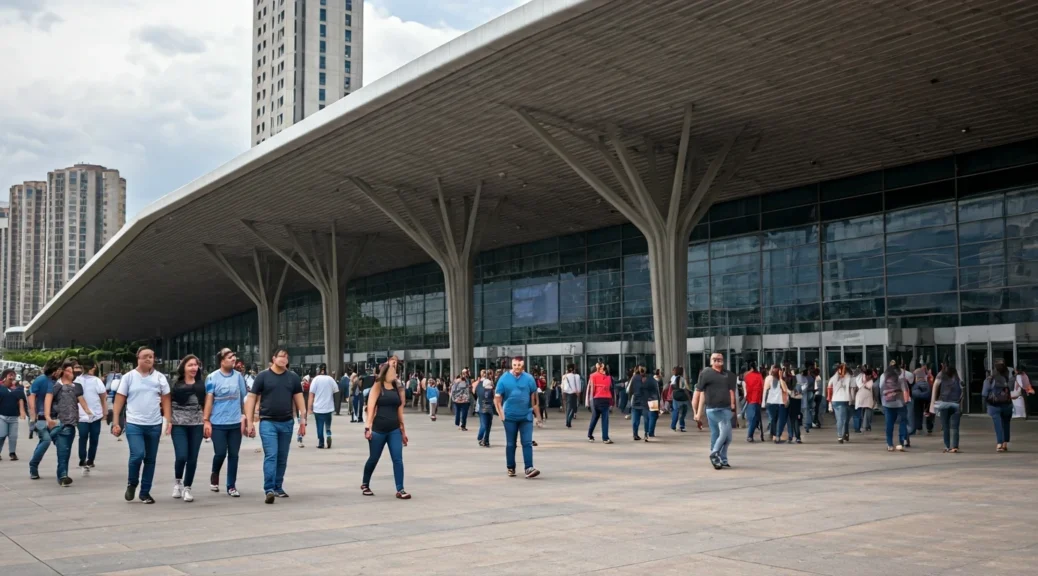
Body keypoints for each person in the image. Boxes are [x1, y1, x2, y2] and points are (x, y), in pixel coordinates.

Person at [245, 347, 306, 504]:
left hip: (287, 422)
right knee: (271, 455)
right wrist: (250, 421)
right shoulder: (263, 377)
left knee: (282, 457)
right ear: (273, 358)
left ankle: (278, 486)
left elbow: (300, 400)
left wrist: (303, 421)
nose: (284, 359)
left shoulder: (292, 378)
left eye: (286, 357)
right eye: (281, 356)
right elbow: (251, 398)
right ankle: (269, 489)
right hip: (268, 422)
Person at [111, 347, 171, 503]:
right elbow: (119, 400)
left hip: (154, 424)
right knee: (137, 455)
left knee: (150, 459)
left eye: (151, 356)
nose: (149, 359)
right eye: (145, 356)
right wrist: (116, 422)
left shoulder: (160, 378)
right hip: (134, 423)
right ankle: (132, 483)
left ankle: (145, 492)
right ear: (138, 358)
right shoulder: (129, 377)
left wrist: (168, 420)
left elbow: (166, 400)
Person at [361, 359, 410, 498]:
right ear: (385, 373)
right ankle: (365, 483)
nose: (395, 373)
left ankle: (400, 489)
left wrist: (403, 431)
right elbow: (370, 407)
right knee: (374, 458)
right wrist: (367, 427)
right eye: (392, 371)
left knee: (398, 459)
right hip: (378, 429)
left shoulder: (396, 388)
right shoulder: (378, 386)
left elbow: (399, 410)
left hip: (394, 429)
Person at [204, 348, 249, 497]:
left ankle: (231, 485)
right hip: (218, 422)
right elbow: (208, 400)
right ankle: (215, 473)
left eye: (234, 356)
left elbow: (244, 398)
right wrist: (207, 420)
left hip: (235, 422)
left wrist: (247, 417)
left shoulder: (238, 377)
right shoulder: (212, 377)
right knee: (221, 453)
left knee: (234, 454)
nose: (233, 359)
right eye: (229, 357)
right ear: (222, 361)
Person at [44, 360, 93, 486]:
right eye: (70, 370)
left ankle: (62, 474)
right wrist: (48, 417)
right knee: (63, 450)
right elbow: (48, 400)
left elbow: (81, 400)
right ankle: (62, 476)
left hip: (71, 424)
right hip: (59, 423)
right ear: (63, 372)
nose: (73, 373)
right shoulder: (56, 386)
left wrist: (88, 411)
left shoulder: (76, 386)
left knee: (65, 450)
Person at [494, 356, 541, 478]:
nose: (517, 368)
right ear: (512, 365)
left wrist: (538, 416)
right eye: (515, 365)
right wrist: (501, 415)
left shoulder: (529, 378)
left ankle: (529, 468)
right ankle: (511, 467)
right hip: (509, 417)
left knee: (527, 442)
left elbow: (534, 398)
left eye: (519, 365)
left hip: (526, 416)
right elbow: (497, 399)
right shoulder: (504, 379)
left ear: (523, 365)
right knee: (511, 443)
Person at [170, 355, 205, 502]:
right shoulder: (175, 385)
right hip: (178, 424)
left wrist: (208, 422)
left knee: (192, 458)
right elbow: (166, 403)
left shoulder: (201, 385)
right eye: (190, 365)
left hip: (197, 424)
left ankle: (187, 487)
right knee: (182, 456)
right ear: (183, 367)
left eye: (196, 365)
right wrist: (167, 421)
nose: (194, 368)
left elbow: (207, 404)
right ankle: (177, 482)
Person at [693, 352, 736, 470]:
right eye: (715, 359)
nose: (718, 360)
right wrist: (696, 412)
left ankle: (722, 458)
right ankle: (714, 453)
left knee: (726, 437)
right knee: (722, 432)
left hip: (726, 409)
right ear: (711, 361)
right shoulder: (706, 373)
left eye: (720, 358)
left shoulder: (728, 375)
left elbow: (731, 391)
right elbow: (698, 393)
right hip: (713, 409)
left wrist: (733, 407)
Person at [27, 360, 62, 480]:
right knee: (46, 440)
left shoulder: (56, 382)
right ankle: (33, 466)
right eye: (58, 370)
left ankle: (62, 471)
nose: (60, 372)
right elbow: (31, 397)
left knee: (60, 443)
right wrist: (33, 417)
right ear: (53, 370)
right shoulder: (41, 380)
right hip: (40, 418)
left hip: (54, 418)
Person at [75, 362, 107, 472]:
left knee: (93, 438)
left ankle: (90, 459)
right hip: (82, 414)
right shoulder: (77, 380)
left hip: (96, 414)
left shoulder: (97, 381)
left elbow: (103, 396)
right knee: (84, 437)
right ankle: (83, 458)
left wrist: (104, 411)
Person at [983, 360, 1015, 453]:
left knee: (998, 424)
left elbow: (984, 393)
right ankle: (1005, 443)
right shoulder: (1009, 379)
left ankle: (999, 444)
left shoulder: (989, 379)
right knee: (1006, 423)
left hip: (994, 405)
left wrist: (987, 402)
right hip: (1007, 404)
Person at [930, 364, 963, 453]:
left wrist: (933, 404)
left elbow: (935, 390)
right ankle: (955, 446)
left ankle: (947, 446)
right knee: (955, 427)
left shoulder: (941, 377)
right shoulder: (958, 379)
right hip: (955, 404)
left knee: (946, 427)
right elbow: (962, 392)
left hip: (943, 404)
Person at [880, 362, 910, 452]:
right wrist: (906, 401)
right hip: (900, 403)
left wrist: (881, 402)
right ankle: (901, 442)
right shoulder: (900, 375)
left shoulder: (883, 376)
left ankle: (890, 444)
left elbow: (881, 389)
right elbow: (905, 390)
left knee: (889, 424)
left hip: (887, 403)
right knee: (903, 422)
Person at [0, 369, 27, 461]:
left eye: (13, 376)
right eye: (10, 376)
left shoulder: (18, 389)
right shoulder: (1, 388)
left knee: (13, 436)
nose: (12, 378)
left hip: (14, 417)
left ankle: (12, 453)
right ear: (4, 377)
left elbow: (21, 400)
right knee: (2, 435)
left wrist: (23, 412)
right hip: (2, 416)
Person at [308, 364, 337, 449]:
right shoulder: (330, 379)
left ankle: (321, 442)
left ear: (318, 370)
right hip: (329, 407)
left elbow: (311, 395)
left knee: (319, 426)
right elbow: (336, 390)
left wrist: (310, 408)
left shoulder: (315, 380)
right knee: (328, 424)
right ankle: (328, 434)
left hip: (318, 408)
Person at [585, 362, 614, 444]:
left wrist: (589, 402)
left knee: (594, 418)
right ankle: (605, 438)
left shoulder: (592, 376)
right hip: (606, 399)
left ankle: (590, 435)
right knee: (605, 419)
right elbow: (611, 390)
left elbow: (591, 390)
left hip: (596, 399)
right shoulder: (609, 378)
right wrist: (612, 403)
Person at [763, 365, 789, 444]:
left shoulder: (782, 381)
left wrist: (781, 378)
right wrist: (763, 402)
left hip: (780, 403)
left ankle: (777, 435)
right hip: (772, 403)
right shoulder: (769, 380)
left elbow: (784, 389)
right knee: (774, 420)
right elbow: (765, 390)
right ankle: (776, 435)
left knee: (779, 420)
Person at [827, 363, 852, 444]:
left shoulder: (832, 379)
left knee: (839, 419)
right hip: (843, 400)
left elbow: (829, 392)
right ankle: (840, 436)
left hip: (835, 401)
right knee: (843, 419)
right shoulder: (848, 377)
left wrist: (829, 404)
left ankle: (841, 435)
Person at [743, 363, 764, 442]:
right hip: (757, 399)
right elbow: (762, 387)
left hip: (750, 399)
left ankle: (750, 434)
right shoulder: (759, 375)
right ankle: (750, 435)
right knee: (755, 418)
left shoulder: (747, 376)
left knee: (752, 418)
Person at [911, 363, 934, 435]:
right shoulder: (924, 372)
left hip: (918, 393)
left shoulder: (915, 372)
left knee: (917, 411)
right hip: (927, 392)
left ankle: (918, 427)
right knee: (929, 411)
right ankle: (929, 427)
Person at [475, 371, 496, 448]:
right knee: (486, 426)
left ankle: (484, 439)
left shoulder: (480, 390)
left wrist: (480, 381)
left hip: (483, 410)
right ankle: (484, 439)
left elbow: (477, 389)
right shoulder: (491, 391)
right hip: (488, 410)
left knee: (485, 425)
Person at [853, 366, 875, 434]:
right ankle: (866, 426)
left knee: (858, 412)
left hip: (859, 394)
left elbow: (856, 386)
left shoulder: (858, 377)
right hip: (868, 395)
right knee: (868, 410)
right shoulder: (871, 380)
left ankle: (857, 428)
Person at [670, 367, 691, 432]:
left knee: (675, 411)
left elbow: (671, 386)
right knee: (683, 412)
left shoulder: (673, 378)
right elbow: (686, 388)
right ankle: (682, 426)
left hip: (676, 396)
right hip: (683, 397)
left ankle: (673, 426)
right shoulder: (682, 379)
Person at [561, 363, 582, 428]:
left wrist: (563, 393)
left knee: (568, 408)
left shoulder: (564, 376)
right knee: (573, 408)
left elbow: (562, 386)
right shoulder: (577, 376)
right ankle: (568, 421)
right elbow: (578, 385)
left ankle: (567, 421)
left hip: (566, 393)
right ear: (573, 369)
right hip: (573, 393)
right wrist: (578, 392)